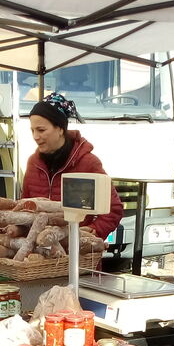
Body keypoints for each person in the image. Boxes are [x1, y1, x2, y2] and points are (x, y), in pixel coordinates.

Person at [21, 92, 123, 241]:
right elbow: (24, 208)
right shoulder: (33, 163)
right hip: (38, 249)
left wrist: (92, 231)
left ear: (60, 129)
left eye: (41, 130)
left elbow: (114, 209)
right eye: (32, 130)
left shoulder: (88, 163)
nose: (35, 136)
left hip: (76, 249)